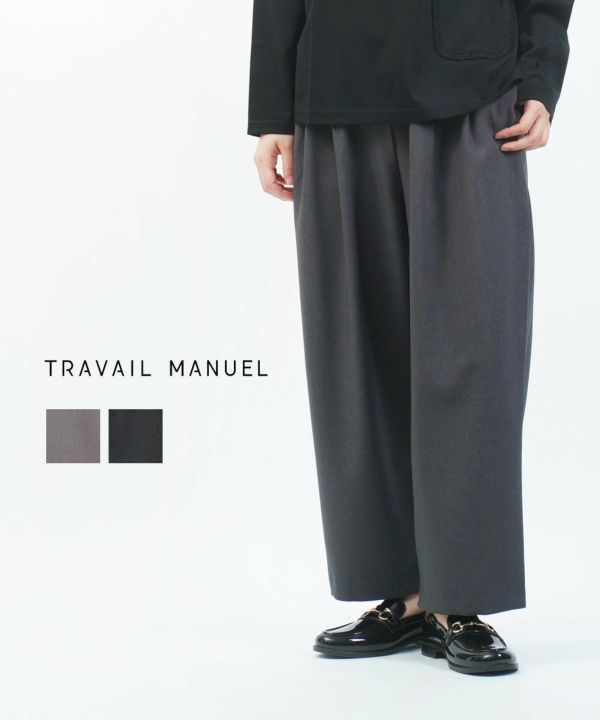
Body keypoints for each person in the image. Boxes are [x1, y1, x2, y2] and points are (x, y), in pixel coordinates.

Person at [247, 0, 574, 675]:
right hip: (334, 88)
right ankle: (404, 593)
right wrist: (273, 110)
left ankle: (463, 599)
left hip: (475, 88)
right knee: (357, 351)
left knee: (474, 346)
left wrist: (541, 76)